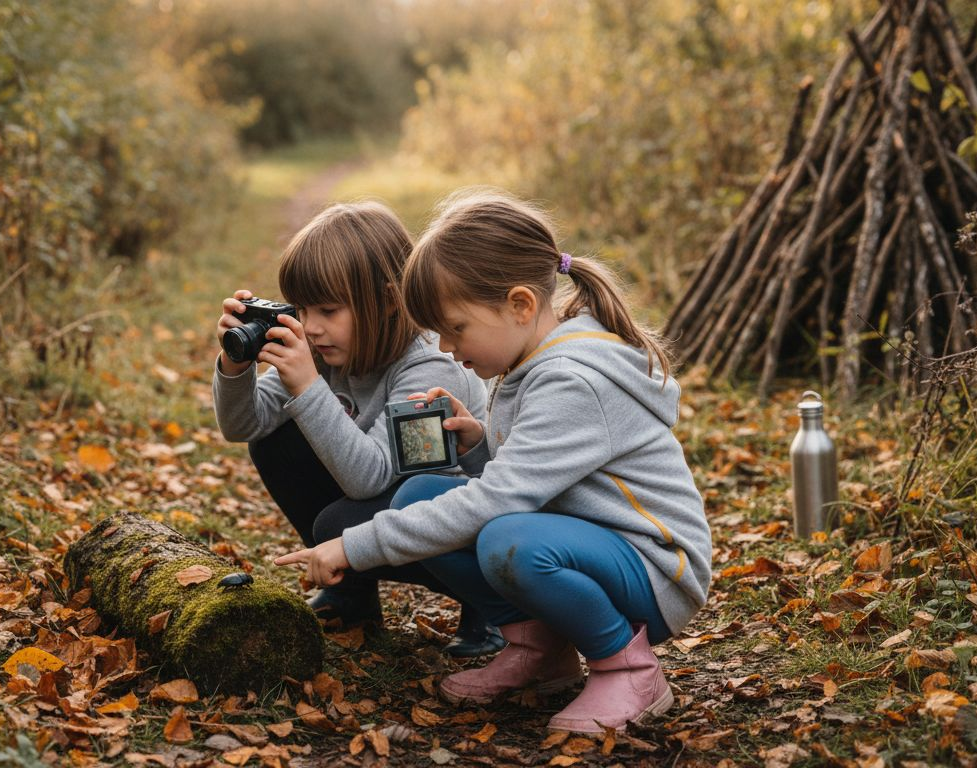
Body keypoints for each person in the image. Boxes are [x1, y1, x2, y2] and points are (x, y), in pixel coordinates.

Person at [275, 190, 712, 733]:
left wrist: (355, 544)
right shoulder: (532, 361)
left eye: (456, 327)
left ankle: (629, 666)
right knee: (420, 495)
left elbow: (501, 500)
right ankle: (538, 649)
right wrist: (480, 441)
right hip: (594, 548)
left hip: (656, 569)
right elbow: (548, 477)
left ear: (521, 305)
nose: (446, 346)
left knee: (508, 540)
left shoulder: (571, 379)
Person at [214, 200, 504, 657]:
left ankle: (492, 605)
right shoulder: (327, 349)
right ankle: (352, 597)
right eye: (303, 309)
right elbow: (244, 424)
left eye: (328, 310)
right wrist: (235, 365)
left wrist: (308, 387)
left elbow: (370, 477)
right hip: (392, 501)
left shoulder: (429, 365)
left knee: (337, 523)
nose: (310, 328)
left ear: (389, 300)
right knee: (274, 441)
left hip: (462, 519)